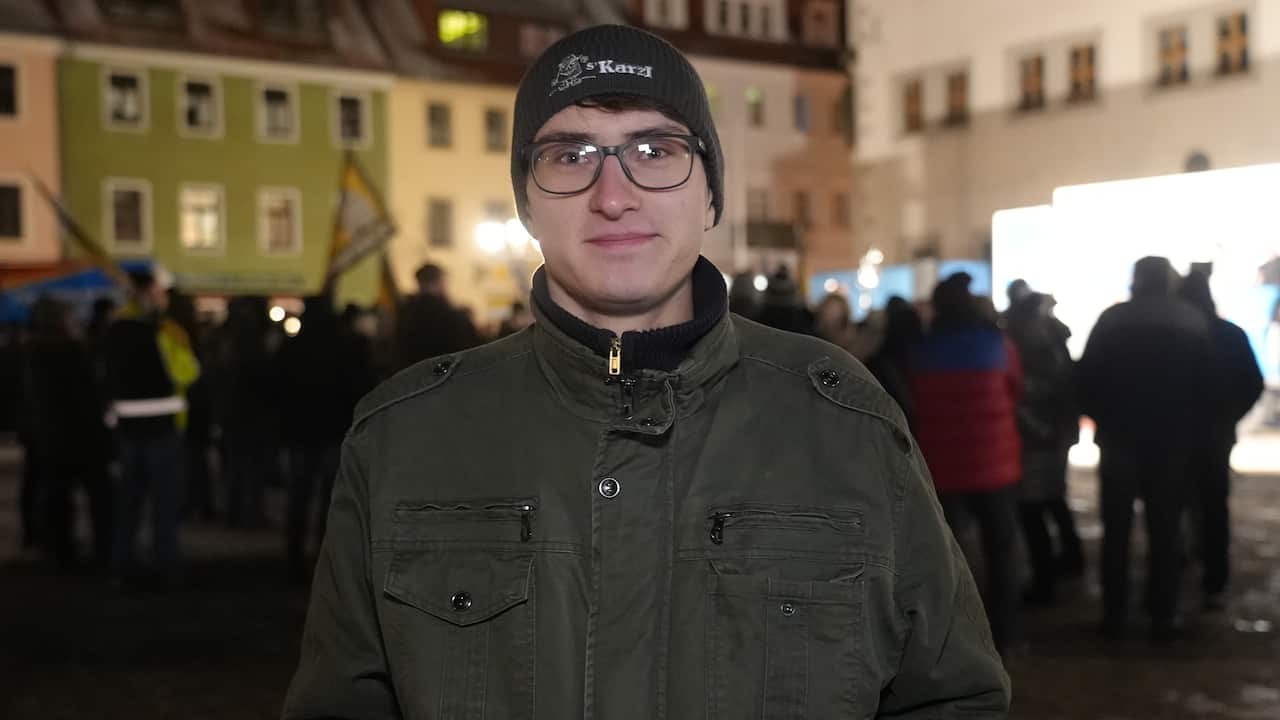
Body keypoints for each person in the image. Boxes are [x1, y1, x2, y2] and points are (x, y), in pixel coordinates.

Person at [283, 25, 1008, 718]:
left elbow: (950, 695)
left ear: (712, 193)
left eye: (655, 150)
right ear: (527, 200)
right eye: (570, 156)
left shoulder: (844, 420)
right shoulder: (406, 437)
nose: (614, 194)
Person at [1078, 256, 1212, 642]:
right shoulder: (1191, 321)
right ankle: (1162, 616)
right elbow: (1207, 388)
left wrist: (1103, 417)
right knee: (1166, 530)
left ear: (1135, 280)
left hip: (1119, 441)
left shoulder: (1112, 321)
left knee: (1116, 531)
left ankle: (1114, 615)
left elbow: (1085, 380)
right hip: (1172, 444)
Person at [909, 273, 1024, 655]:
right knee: (1001, 551)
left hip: (943, 469)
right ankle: (1006, 635)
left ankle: (952, 641)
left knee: (948, 559)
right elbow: (1017, 388)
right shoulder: (997, 346)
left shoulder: (922, 351)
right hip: (996, 465)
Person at [105, 269, 200, 585]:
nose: (164, 299)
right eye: (159, 293)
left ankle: (122, 565)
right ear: (146, 294)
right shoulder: (165, 330)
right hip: (162, 428)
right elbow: (187, 373)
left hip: (127, 429)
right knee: (164, 504)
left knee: (128, 504)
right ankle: (167, 567)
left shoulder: (113, 329)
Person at [1176, 270, 1264, 611]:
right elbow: (1253, 383)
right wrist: (1230, 416)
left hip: (1176, 439)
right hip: (1215, 437)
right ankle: (1215, 578)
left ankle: (1177, 567)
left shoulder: (1177, 339)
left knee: (1173, 505)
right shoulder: (1230, 334)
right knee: (1214, 507)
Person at [21, 296, 114, 569]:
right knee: (100, 495)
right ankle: (103, 548)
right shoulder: (71, 353)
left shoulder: (33, 353)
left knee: (57, 496)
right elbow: (88, 397)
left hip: (51, 437)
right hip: (81, 437)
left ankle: (59, 547)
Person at [1006, 290, 1084, 607]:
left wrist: (1036, 427)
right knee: (1052, 498)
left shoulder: (1033, 346)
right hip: (1054, 435)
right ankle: (1069, 559)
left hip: (1038, 438)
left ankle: (1044, 581)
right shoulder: (1055, 341)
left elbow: (1024, 394)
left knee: (1032, 509)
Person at [394, 262, 480, 370]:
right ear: (440, 281)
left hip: (419, 376)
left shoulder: (406, 314)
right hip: (450, 374)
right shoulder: (450, 315)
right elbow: (469, 350)